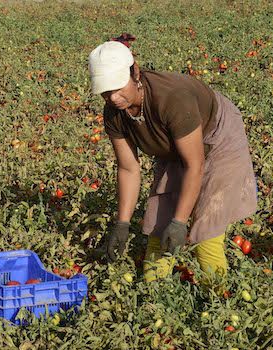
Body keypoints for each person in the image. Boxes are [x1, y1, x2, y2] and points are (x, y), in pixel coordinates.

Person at [88, 39, 257, 282]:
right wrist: (122, 224)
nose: (113, 97)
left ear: (134, 72)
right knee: (159, 227)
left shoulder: (172, 99)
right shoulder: (115, 113)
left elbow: (194, 165)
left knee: (205, 234)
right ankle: (153, 294)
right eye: (105, 91)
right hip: (174, 147)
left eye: (117, 87)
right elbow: (128, 168)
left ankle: (219, 299)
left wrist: (179, 222)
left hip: (219, 140)